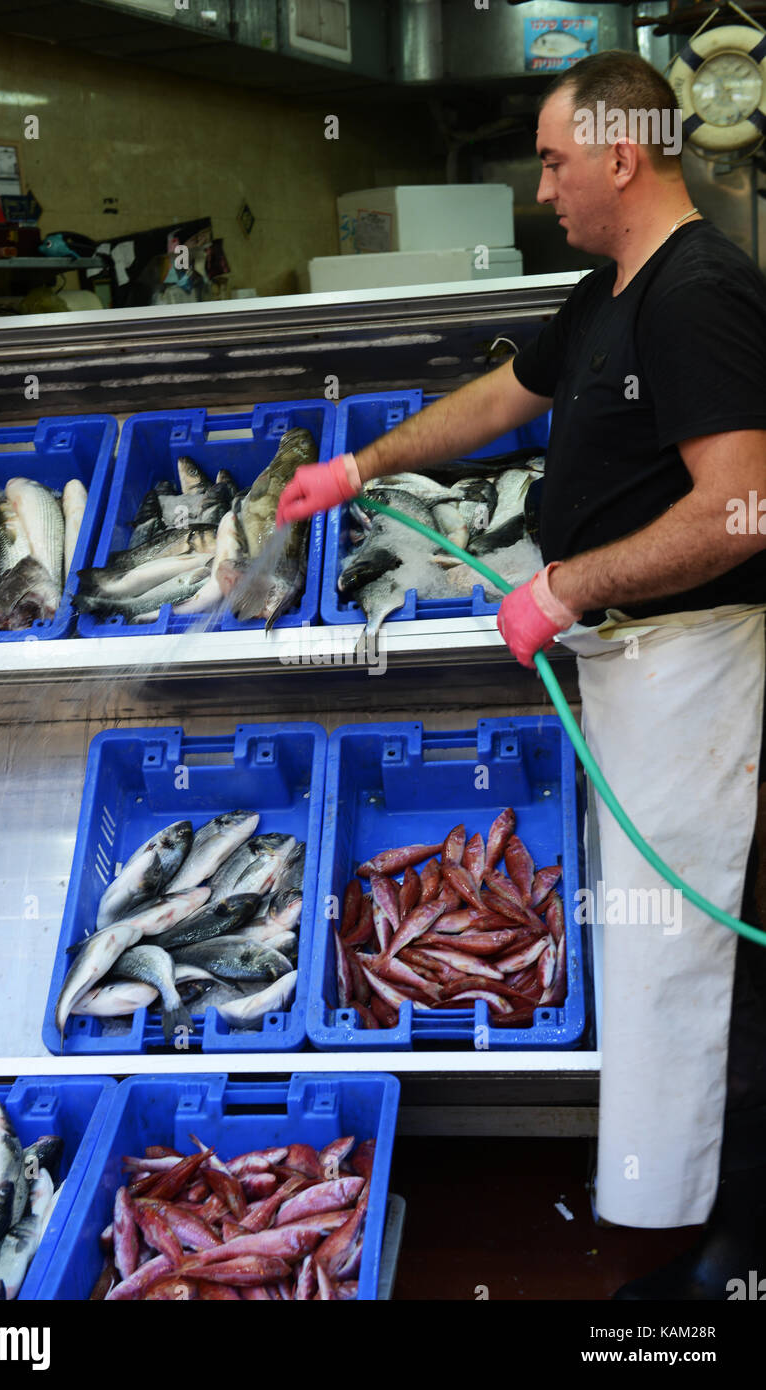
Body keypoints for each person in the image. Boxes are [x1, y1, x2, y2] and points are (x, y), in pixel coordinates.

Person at [277, 50, 766, 1299]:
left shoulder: (700, 290)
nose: (542, 186)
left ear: (623, 151)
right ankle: (690, 1225)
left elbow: (740, 512)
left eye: (554, 160)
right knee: (661, 962)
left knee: (701, 959)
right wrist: (362, 467)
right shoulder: (610, 287)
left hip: (700, 678)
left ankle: (731, 1255)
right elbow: (505, 398)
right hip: (634, 678)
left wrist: (564, 585)